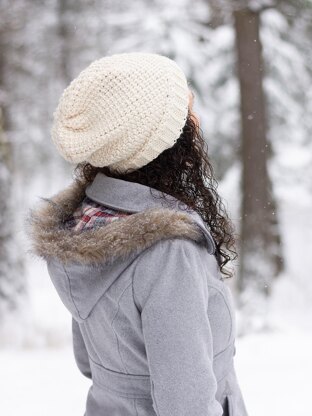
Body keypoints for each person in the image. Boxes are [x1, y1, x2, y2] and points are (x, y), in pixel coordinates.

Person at [26, 52, 249, 416]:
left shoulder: (85, 224)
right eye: (185, 109)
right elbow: (187, 405)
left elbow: (89, 362)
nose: (195, 119)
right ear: (162, 141)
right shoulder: (170, 252)